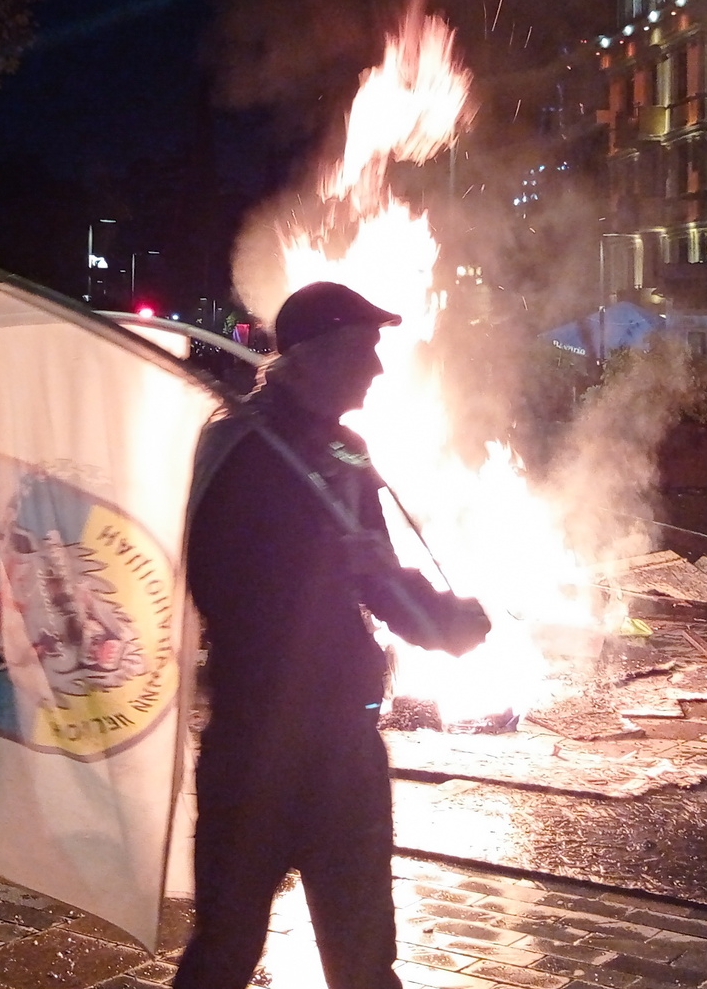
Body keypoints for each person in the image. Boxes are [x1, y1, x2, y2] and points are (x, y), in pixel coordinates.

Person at [175, 281, 490, 989]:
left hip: (345, 749)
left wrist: (448, 621)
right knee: (224, 951)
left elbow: (375, 577)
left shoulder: (346, 452)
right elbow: (215, 583)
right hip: (256, 752)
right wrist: (320, 563)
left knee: (364, 958)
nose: (377, 367)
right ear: (316, 356)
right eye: (364, 349)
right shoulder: (242, 447)